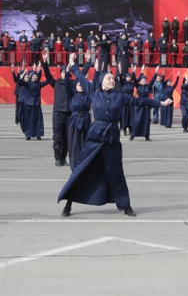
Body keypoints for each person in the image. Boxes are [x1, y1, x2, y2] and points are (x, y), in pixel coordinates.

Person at [58, 54, 172, 217]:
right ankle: (68, 204)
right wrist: (72, 64)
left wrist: (160, 103)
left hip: (111, 138)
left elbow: (141, 101)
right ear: (102, 82)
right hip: (95, 136)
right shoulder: (93, 92)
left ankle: (126, 206)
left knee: (116, 172)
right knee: (81, 170)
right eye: (108, 78)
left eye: (113, 78)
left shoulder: (120, 97)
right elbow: (81, 78)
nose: (112, 80)